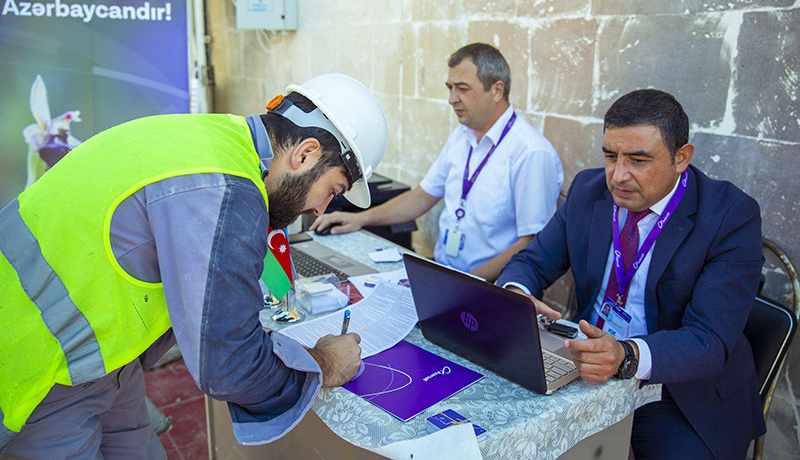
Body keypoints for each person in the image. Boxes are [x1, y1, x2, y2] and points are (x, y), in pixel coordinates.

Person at [0, 73, 389, 457]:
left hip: (107, 356)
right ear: (305, 154)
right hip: (41, 366)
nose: (321, 208)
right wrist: (325, 363)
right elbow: (230, 365)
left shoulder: (219, 139)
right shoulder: (228, 186)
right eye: (332, 190)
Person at [497, 89, 765, 458]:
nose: (618, 176)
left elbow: (709, 339)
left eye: (638, 160)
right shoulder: (588, 191)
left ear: (681, 157)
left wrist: (626, 355)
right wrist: (516, 295)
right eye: (611, 156)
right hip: (587, 363)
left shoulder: (730, 216)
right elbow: (532, 261)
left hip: (679, 389)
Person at [311, 43, 563, 281]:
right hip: (447, 274)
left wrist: (468, 284)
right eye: (450, 88)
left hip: (492, 288)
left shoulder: (531, 153)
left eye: (462, 88)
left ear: (497, 90)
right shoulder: (461, 136)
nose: (452, 99)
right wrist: (359, 219)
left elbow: (532, 243)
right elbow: (422, 196)